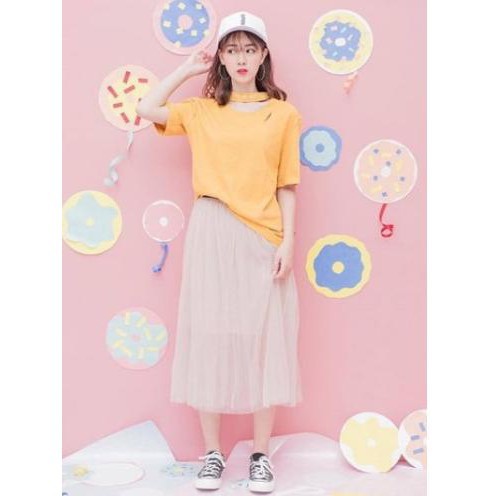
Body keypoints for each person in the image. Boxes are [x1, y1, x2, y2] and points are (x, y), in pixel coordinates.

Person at [136, 10, 303, 493]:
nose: (241, 58)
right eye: (232, 49)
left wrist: (289, 241)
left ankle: (260, 455)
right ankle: (212, 454)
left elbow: (287, 184)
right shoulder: (202, 110)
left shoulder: (283, 114)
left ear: (263, 54)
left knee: (263, 343)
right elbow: (147, 107)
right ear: (222, 58)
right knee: (210, 337)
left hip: (263, 235)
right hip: (212, 230)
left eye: (250, 49)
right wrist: (187, 69)